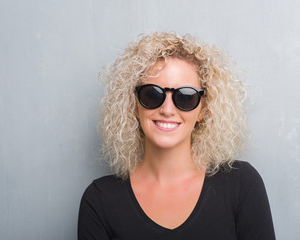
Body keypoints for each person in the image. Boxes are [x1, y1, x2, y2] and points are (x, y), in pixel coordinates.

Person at [77, 32, 276, 240]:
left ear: (203, 110)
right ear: (134, 104)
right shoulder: (100, 199)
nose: (167, 109)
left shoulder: (241, 184)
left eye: (186, 97)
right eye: (152, 94)